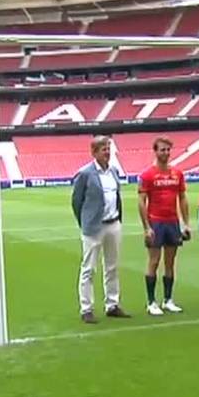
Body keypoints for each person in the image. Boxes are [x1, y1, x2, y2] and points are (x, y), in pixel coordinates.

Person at [71, 135, 131, 324]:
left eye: (108, 148)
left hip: (113, 224)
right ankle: (86, 308)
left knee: (112, 266)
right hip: (94, 227)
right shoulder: (85, 174)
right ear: (94, 152)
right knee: (89, 268)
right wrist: (85, 223)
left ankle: (112, 304)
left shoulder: (113, 171)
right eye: (103, 149)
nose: (107, 152)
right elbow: (76, 201)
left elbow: (116, 196)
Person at [138, 136, 191, 316]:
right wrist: (147, 227)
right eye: (162, 150)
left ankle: (168, 300)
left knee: (170, 262)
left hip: (172, 222)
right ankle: (151, 302)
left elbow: (182, 198)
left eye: (168, 150)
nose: (166, 153)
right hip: (156, 221)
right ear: (156, 151)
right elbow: (141, 201)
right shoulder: (147, 175)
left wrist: (185, 223)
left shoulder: (177, 174)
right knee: (154, 261)